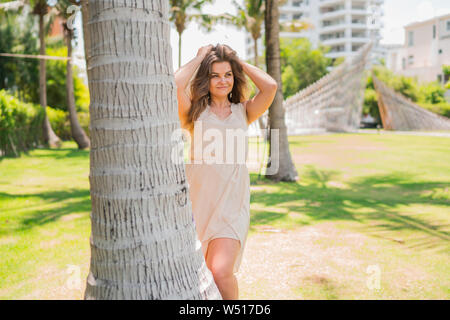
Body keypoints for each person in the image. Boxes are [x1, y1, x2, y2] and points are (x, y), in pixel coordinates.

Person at [174, 44, 277, 299]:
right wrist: (199, 58)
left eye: (227, 75)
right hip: (198, 206)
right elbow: (174, 85)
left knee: (220, 271)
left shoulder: (244, 111)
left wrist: (235, 60)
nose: (222, 81)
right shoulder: (194, 112)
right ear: (205, 78)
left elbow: (270, 87)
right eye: (215, 75)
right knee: (203, 274)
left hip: (232, 207)